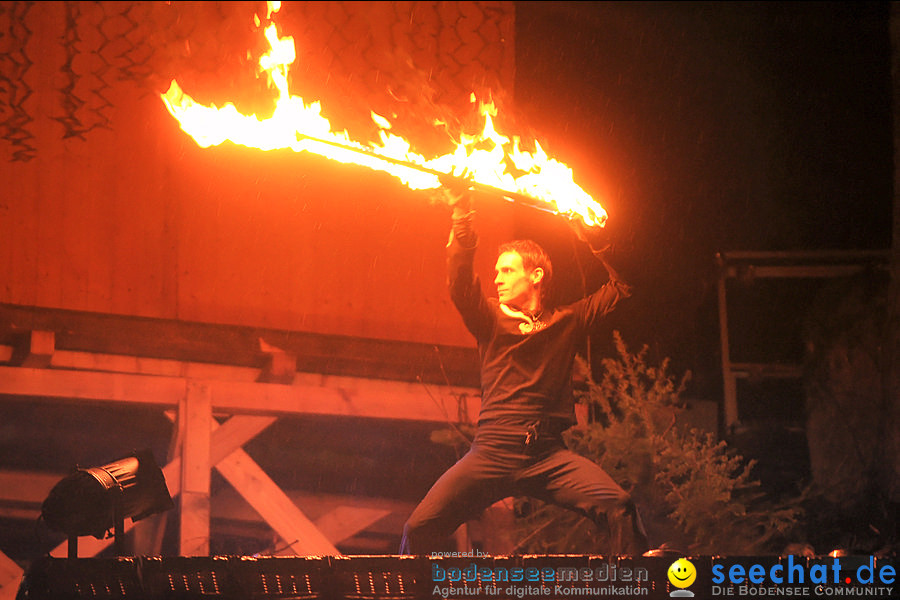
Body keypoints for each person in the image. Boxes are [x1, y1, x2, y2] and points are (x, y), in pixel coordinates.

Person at [400, 182, 649, 556]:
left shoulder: (568, 320)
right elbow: (459, 283)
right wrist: (462, 213)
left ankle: (637, 590)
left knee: (620, 507)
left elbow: (626, 285)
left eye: (507, 270)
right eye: (496, 271)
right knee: (420, 527)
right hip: (492, 452)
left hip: (548, 457)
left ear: (536, 276)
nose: (497, 278)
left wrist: (594, 238)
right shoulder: (488, 318)